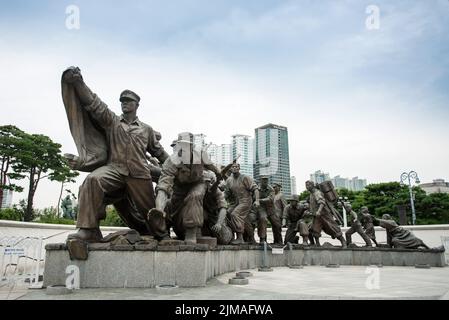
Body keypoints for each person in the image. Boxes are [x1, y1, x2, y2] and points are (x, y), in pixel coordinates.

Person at [62, 67, 169, 242]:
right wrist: (78, 82)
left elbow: (159, 153)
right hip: (115, 170)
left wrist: (172, 168)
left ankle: (162, 235)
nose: (124, 103)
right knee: (92, 180)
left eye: (128, 101)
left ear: (136, 105)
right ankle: (88, 230)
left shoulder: (146, 129)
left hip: (139, 174)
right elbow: (94, 104)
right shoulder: (112, 122)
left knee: (150, 211)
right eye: (122, 101)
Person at [154, 132, 222, 243]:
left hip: (199, 183)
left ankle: (191, 233)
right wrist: (159, 209)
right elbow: (163, 187)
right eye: (182, 146)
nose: (184, 149)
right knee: (170, 206)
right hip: (179, 189)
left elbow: (211, 166)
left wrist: (218, 173)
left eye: (187, 146)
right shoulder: (171, 162)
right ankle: (164, 231)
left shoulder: (200, 154)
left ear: (192, 146)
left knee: (195, 196)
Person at [224, 163, 259, 244]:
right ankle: (232, 236)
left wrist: (257, 200)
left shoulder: (245, 177)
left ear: (239, 168)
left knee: (235, 214)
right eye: (233, 167)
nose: (235, 168)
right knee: (228, 214)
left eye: (237, 167)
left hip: (246, 201)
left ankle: (240, 237)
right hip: (236, 202)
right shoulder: (229, 180)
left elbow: (255, 189)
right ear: (231, 169)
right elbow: (226, 193)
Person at [306, 180, 346, 248]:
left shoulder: (317, 193)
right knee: (314, 229)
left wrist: (319, 211)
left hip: (325, 215)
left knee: (333, 228)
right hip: (317, 216)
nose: (307, 187)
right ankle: (317, 244)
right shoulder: (311, 194)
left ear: (312, 185)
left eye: (308, 185)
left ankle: (343, 242)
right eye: (306, 185)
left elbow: (322, 202)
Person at [202, 171, 233, 244]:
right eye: (204, 182)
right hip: (204, 217)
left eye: (208, 182)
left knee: (224, 239)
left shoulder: (216, 191)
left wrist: (219, 223)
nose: (207, 184)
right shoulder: (197, 190)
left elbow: (223, 208)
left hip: (215, 217)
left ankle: (229, 234)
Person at [255, 176, 283, 245]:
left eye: (266, 181)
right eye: (263, 181)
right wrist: (257, 201)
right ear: (260, 181)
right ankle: (263, 239)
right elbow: (254, 198)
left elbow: (270, 199)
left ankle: (278, 240)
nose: (265, 182)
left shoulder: (271, 189)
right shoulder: (256, 189)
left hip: (270, 208)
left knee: (276, 223)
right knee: (263, 219)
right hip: (261, 208)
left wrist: (259, 200)